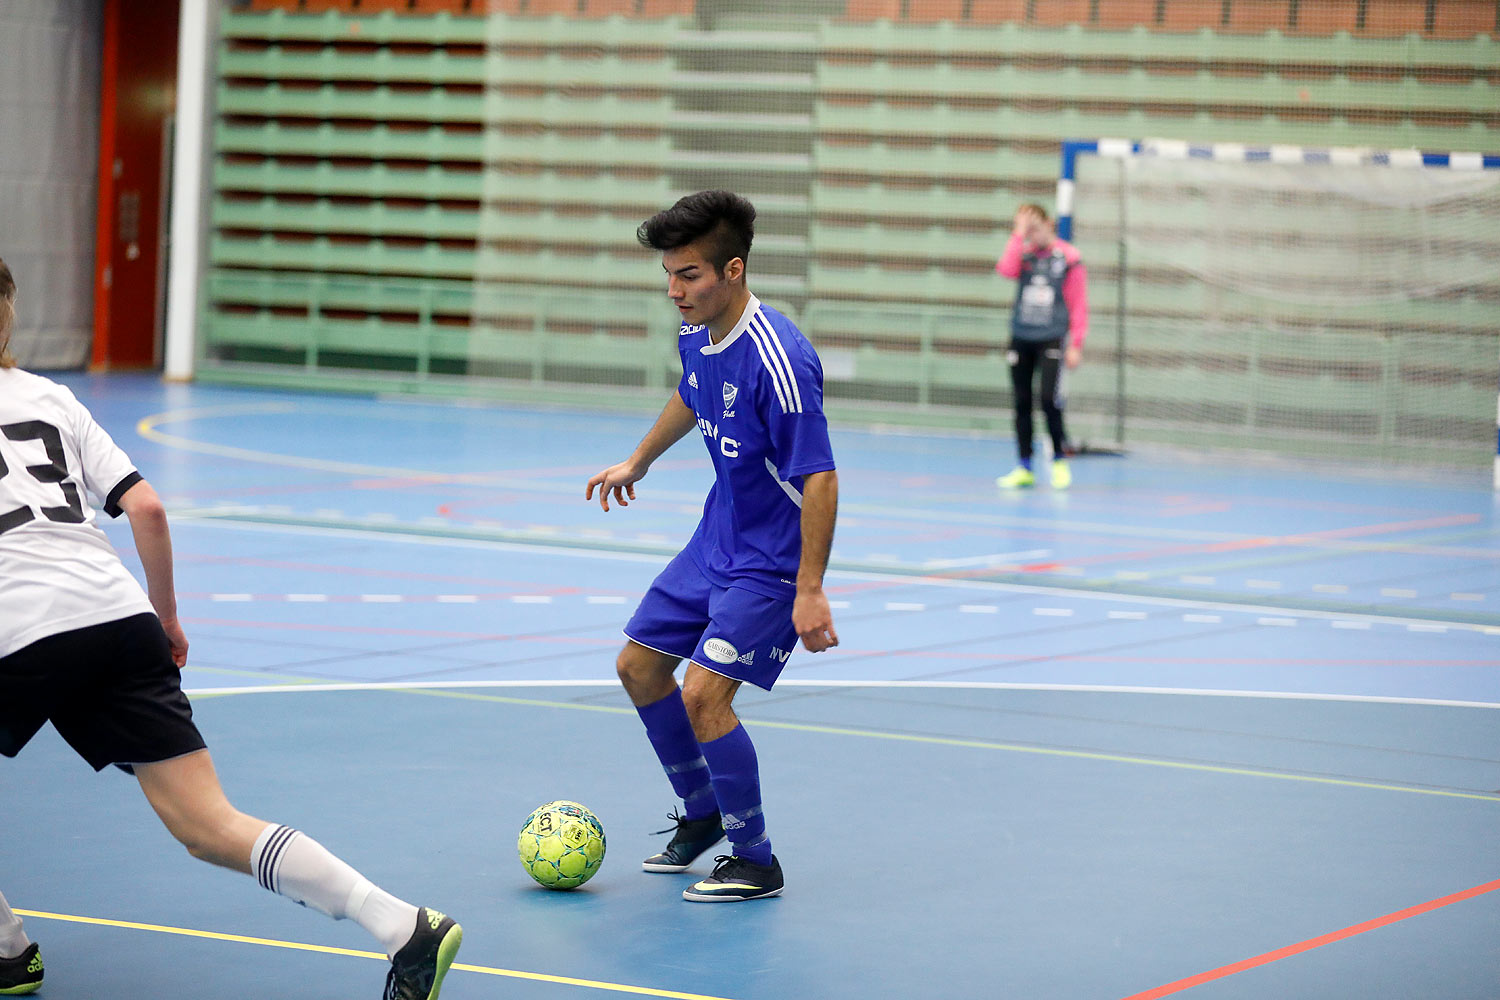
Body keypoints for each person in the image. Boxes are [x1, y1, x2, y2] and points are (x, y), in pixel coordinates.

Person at [0, 258, 461, 1000]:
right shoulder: (51, 398)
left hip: (19, 628)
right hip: (117, 616)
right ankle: (406, 928)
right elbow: (146, 508)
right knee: (207, 824)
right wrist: (166, 617)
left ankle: (7, 954)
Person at [585, 191, 839, 903]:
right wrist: (639, 460)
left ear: (733, 269)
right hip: (714, 539)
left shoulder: (780, 359)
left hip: (770, 563)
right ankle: (701, 817)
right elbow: (692, 394)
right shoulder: (697, 334)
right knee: (638, 668)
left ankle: (755, 858)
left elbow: (818, 477)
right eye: (668, 275)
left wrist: (809, 589)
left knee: (704, 696)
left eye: (689, 275)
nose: (674, 291)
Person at [994, 203, 1089, 490]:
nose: (1031, 233)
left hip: (1051, 337)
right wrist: (1018, 235)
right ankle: (1024, 465)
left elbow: (1078, 302)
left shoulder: (1068, 257)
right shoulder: (1022, 254)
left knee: (1049, 400)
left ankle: (1059, 461)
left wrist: (1076, 343)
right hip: (1022, 336)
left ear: (1049, 224)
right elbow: (1005, 270)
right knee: (1021, 402)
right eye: (1026, 227)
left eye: (1034, 226)